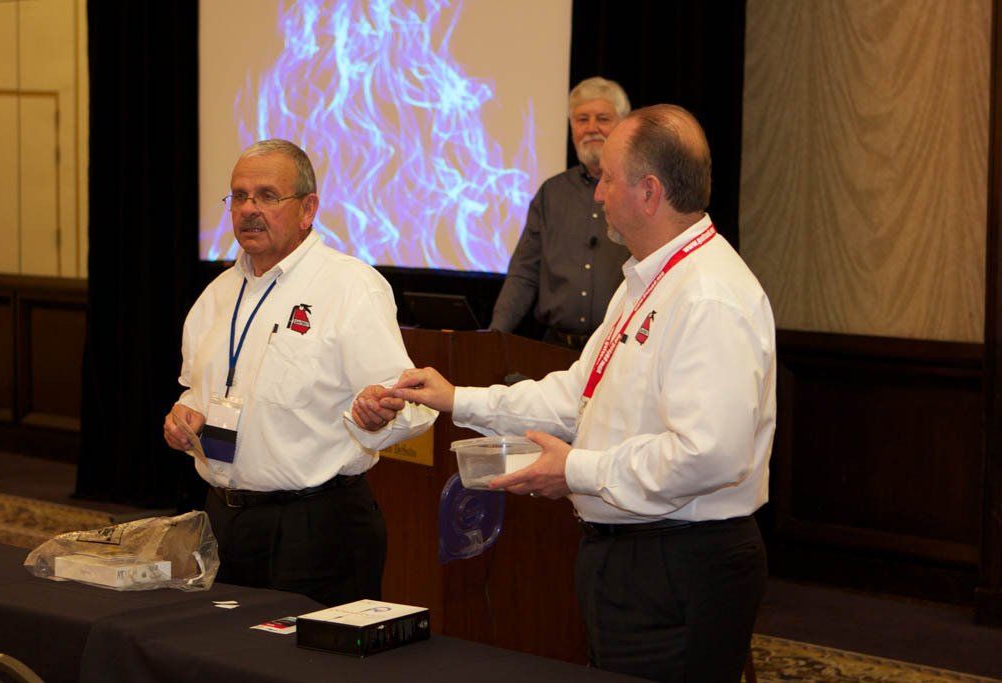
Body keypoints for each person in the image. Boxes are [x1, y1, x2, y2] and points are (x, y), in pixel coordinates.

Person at [374, 105, 775, 682]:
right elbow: (577, 397)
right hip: (633, 555)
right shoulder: (647, 279)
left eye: (609, 178)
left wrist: (577, 471)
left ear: (650, 191)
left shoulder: (708, 295)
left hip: (678, 562)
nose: (598, 194)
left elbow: (708, 454)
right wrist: (458, 399)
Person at [162, 139, 437, 606]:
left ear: (308, 209)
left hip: (316, 527)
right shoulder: (215, 295)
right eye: (239, 196)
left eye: (268, 196)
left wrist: (381, 415)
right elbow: (197, 390)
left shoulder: (351, 286)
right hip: (225, 520)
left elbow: (412, 402)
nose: (249, 209)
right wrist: (185, 415)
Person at [490, 77, 631, 350]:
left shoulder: (637, 193)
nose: (591, 128)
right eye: (581, 120)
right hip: (554, 351)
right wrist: (494, 336)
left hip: (617, 353)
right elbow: (524, 273)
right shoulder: (551, 194)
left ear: (623, 125)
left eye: (602, 118)